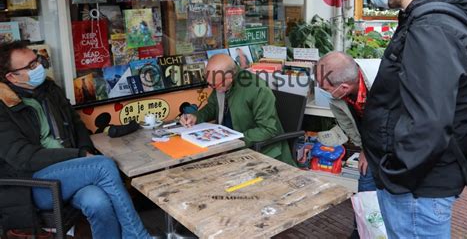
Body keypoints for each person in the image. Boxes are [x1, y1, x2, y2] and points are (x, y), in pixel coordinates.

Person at [357, 0, 467, 238]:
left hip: (416, 191)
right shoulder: (426, 18)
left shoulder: (431, 27)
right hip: (420, 185)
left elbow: (429, 121)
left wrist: (395, 175)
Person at [0, 41, 153, 238]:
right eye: (30, 66)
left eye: (37, 60)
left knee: (98, 202)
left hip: (70, 170)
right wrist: (79, 155)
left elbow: (76, 123)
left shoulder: (48, 89)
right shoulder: (3, 106)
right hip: (33, 185)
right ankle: (137, 235)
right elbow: (23, 157)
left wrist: (84, 150)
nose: (38, 67)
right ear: (11, 76)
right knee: (103, 166)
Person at [180, 54, 294, 165]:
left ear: (229, 77)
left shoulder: (258, 89)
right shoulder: (221, 83)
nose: (211, 88)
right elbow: (212, 107)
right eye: (210, 84)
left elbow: (267, 129)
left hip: (261, 153)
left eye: (214, 85)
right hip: (229, 148)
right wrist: (196, 116)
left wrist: (235, 140)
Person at [316, 51, 378, 238]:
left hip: (401, 150)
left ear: (343, 87)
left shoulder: (385, 79)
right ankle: (360, 231)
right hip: (371, 146)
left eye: (325, 88)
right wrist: (364, 148)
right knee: (366, 189)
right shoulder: (339, 95)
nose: (323, 91)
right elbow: (348, 124)